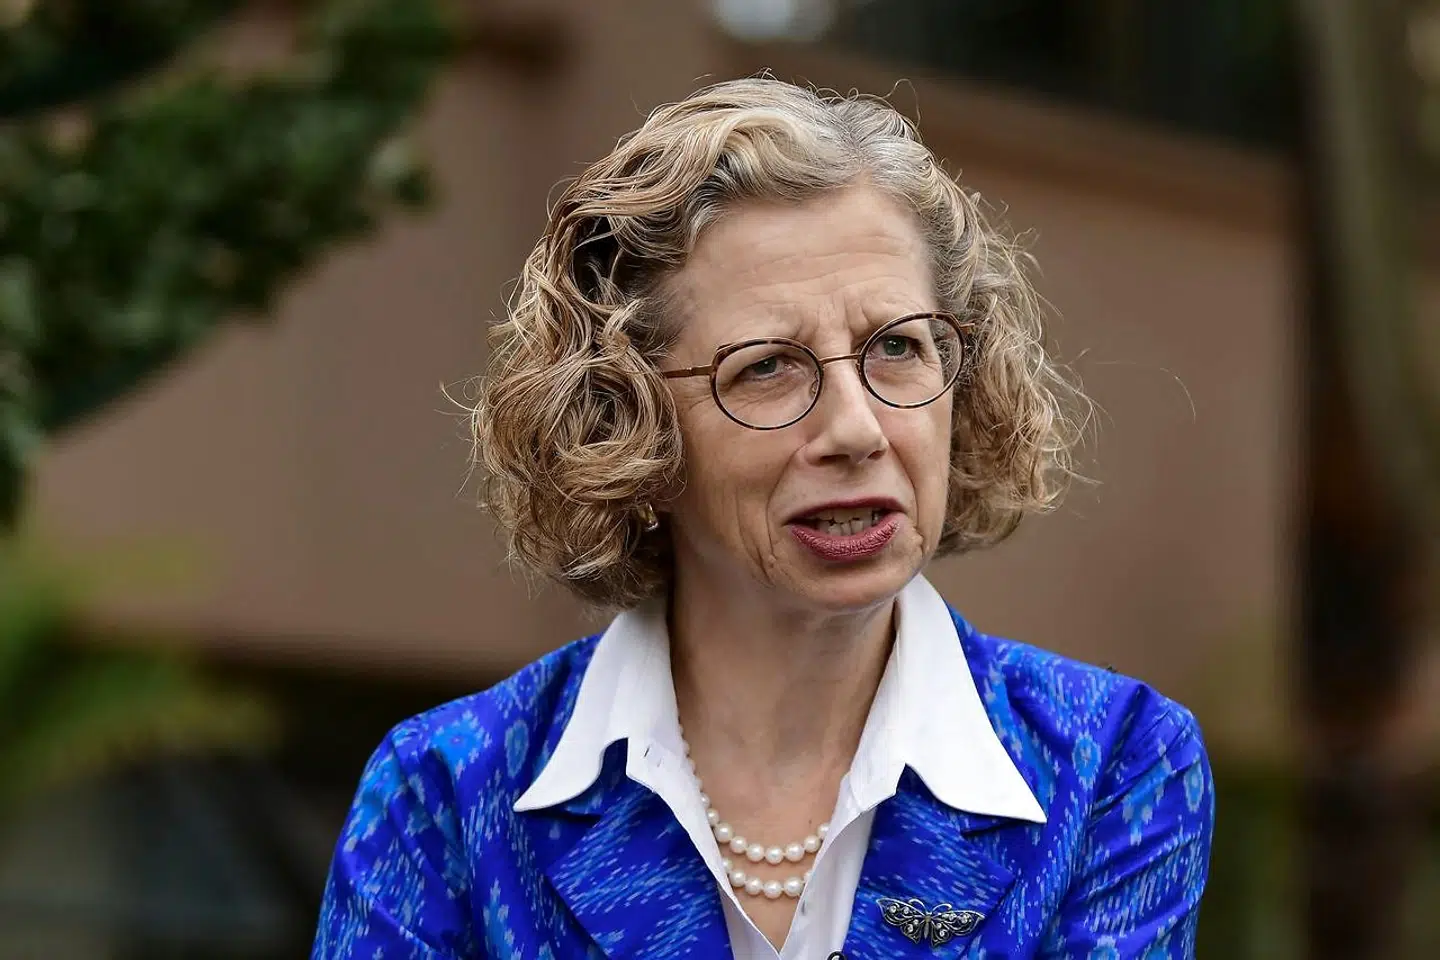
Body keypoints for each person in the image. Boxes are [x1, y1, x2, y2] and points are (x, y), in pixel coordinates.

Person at [312, 78, 1214, 959]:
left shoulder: (1110, 764)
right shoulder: (447, 792)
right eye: (767, 367)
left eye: (898, 347)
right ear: (627, 424)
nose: (857, 430)